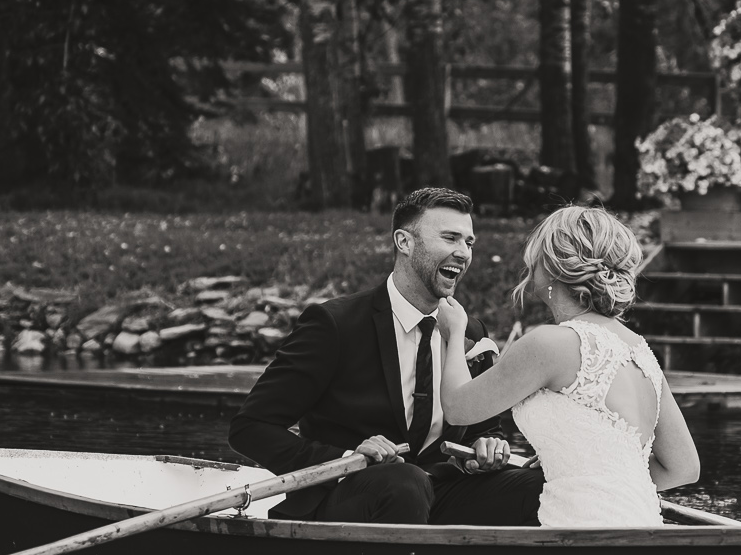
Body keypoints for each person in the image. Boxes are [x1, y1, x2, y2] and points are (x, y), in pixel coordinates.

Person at [228, 187, 545, 524]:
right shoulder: (335, 324)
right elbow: (250, 427)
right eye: (450, 238)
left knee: (539, 486)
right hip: (349, 495)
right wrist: (349, 456)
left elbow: (480, 429)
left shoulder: (470, 332)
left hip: (438, 492)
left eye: (469, 243)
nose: (463, 253)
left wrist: (487, 447)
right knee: (405, 482)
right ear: (404, 242)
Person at [435, 206, 698, 528]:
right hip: (642, 526)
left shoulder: (549, 343)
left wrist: (454, 332)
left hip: (578, 526)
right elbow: (683, 468)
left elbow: (459, 408)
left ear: (553, 266)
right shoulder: (638, 349)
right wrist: (578, 468)